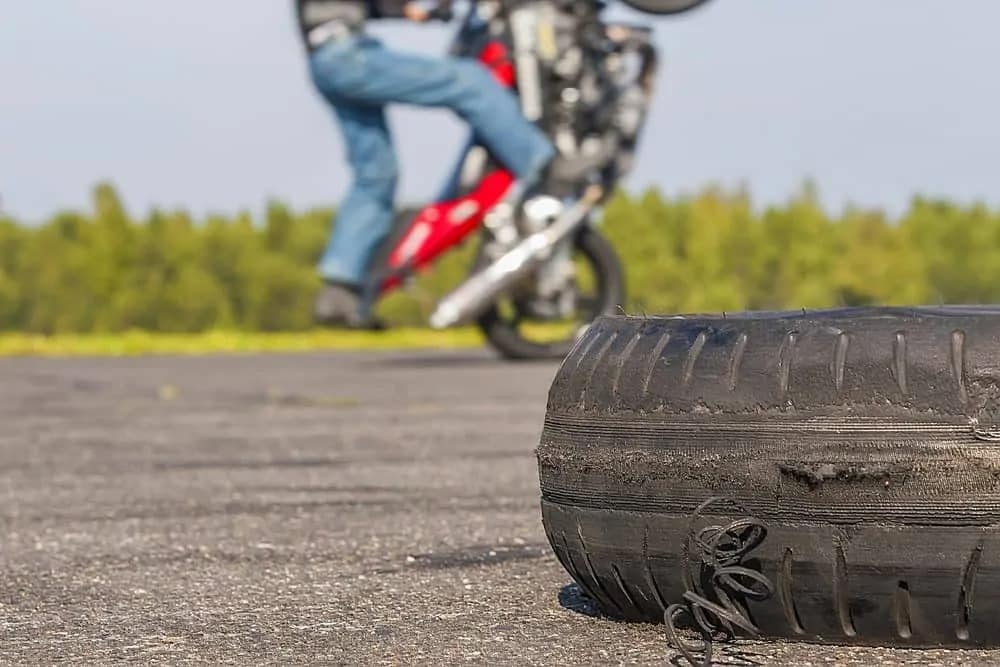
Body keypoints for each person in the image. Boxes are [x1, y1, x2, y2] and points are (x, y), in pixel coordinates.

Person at [298, 0, 555, 326]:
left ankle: (341, 291)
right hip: (348, 54)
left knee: (377, 174)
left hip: (325, 59)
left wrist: (406, 11)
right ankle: (543, 167)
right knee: (470, 82)